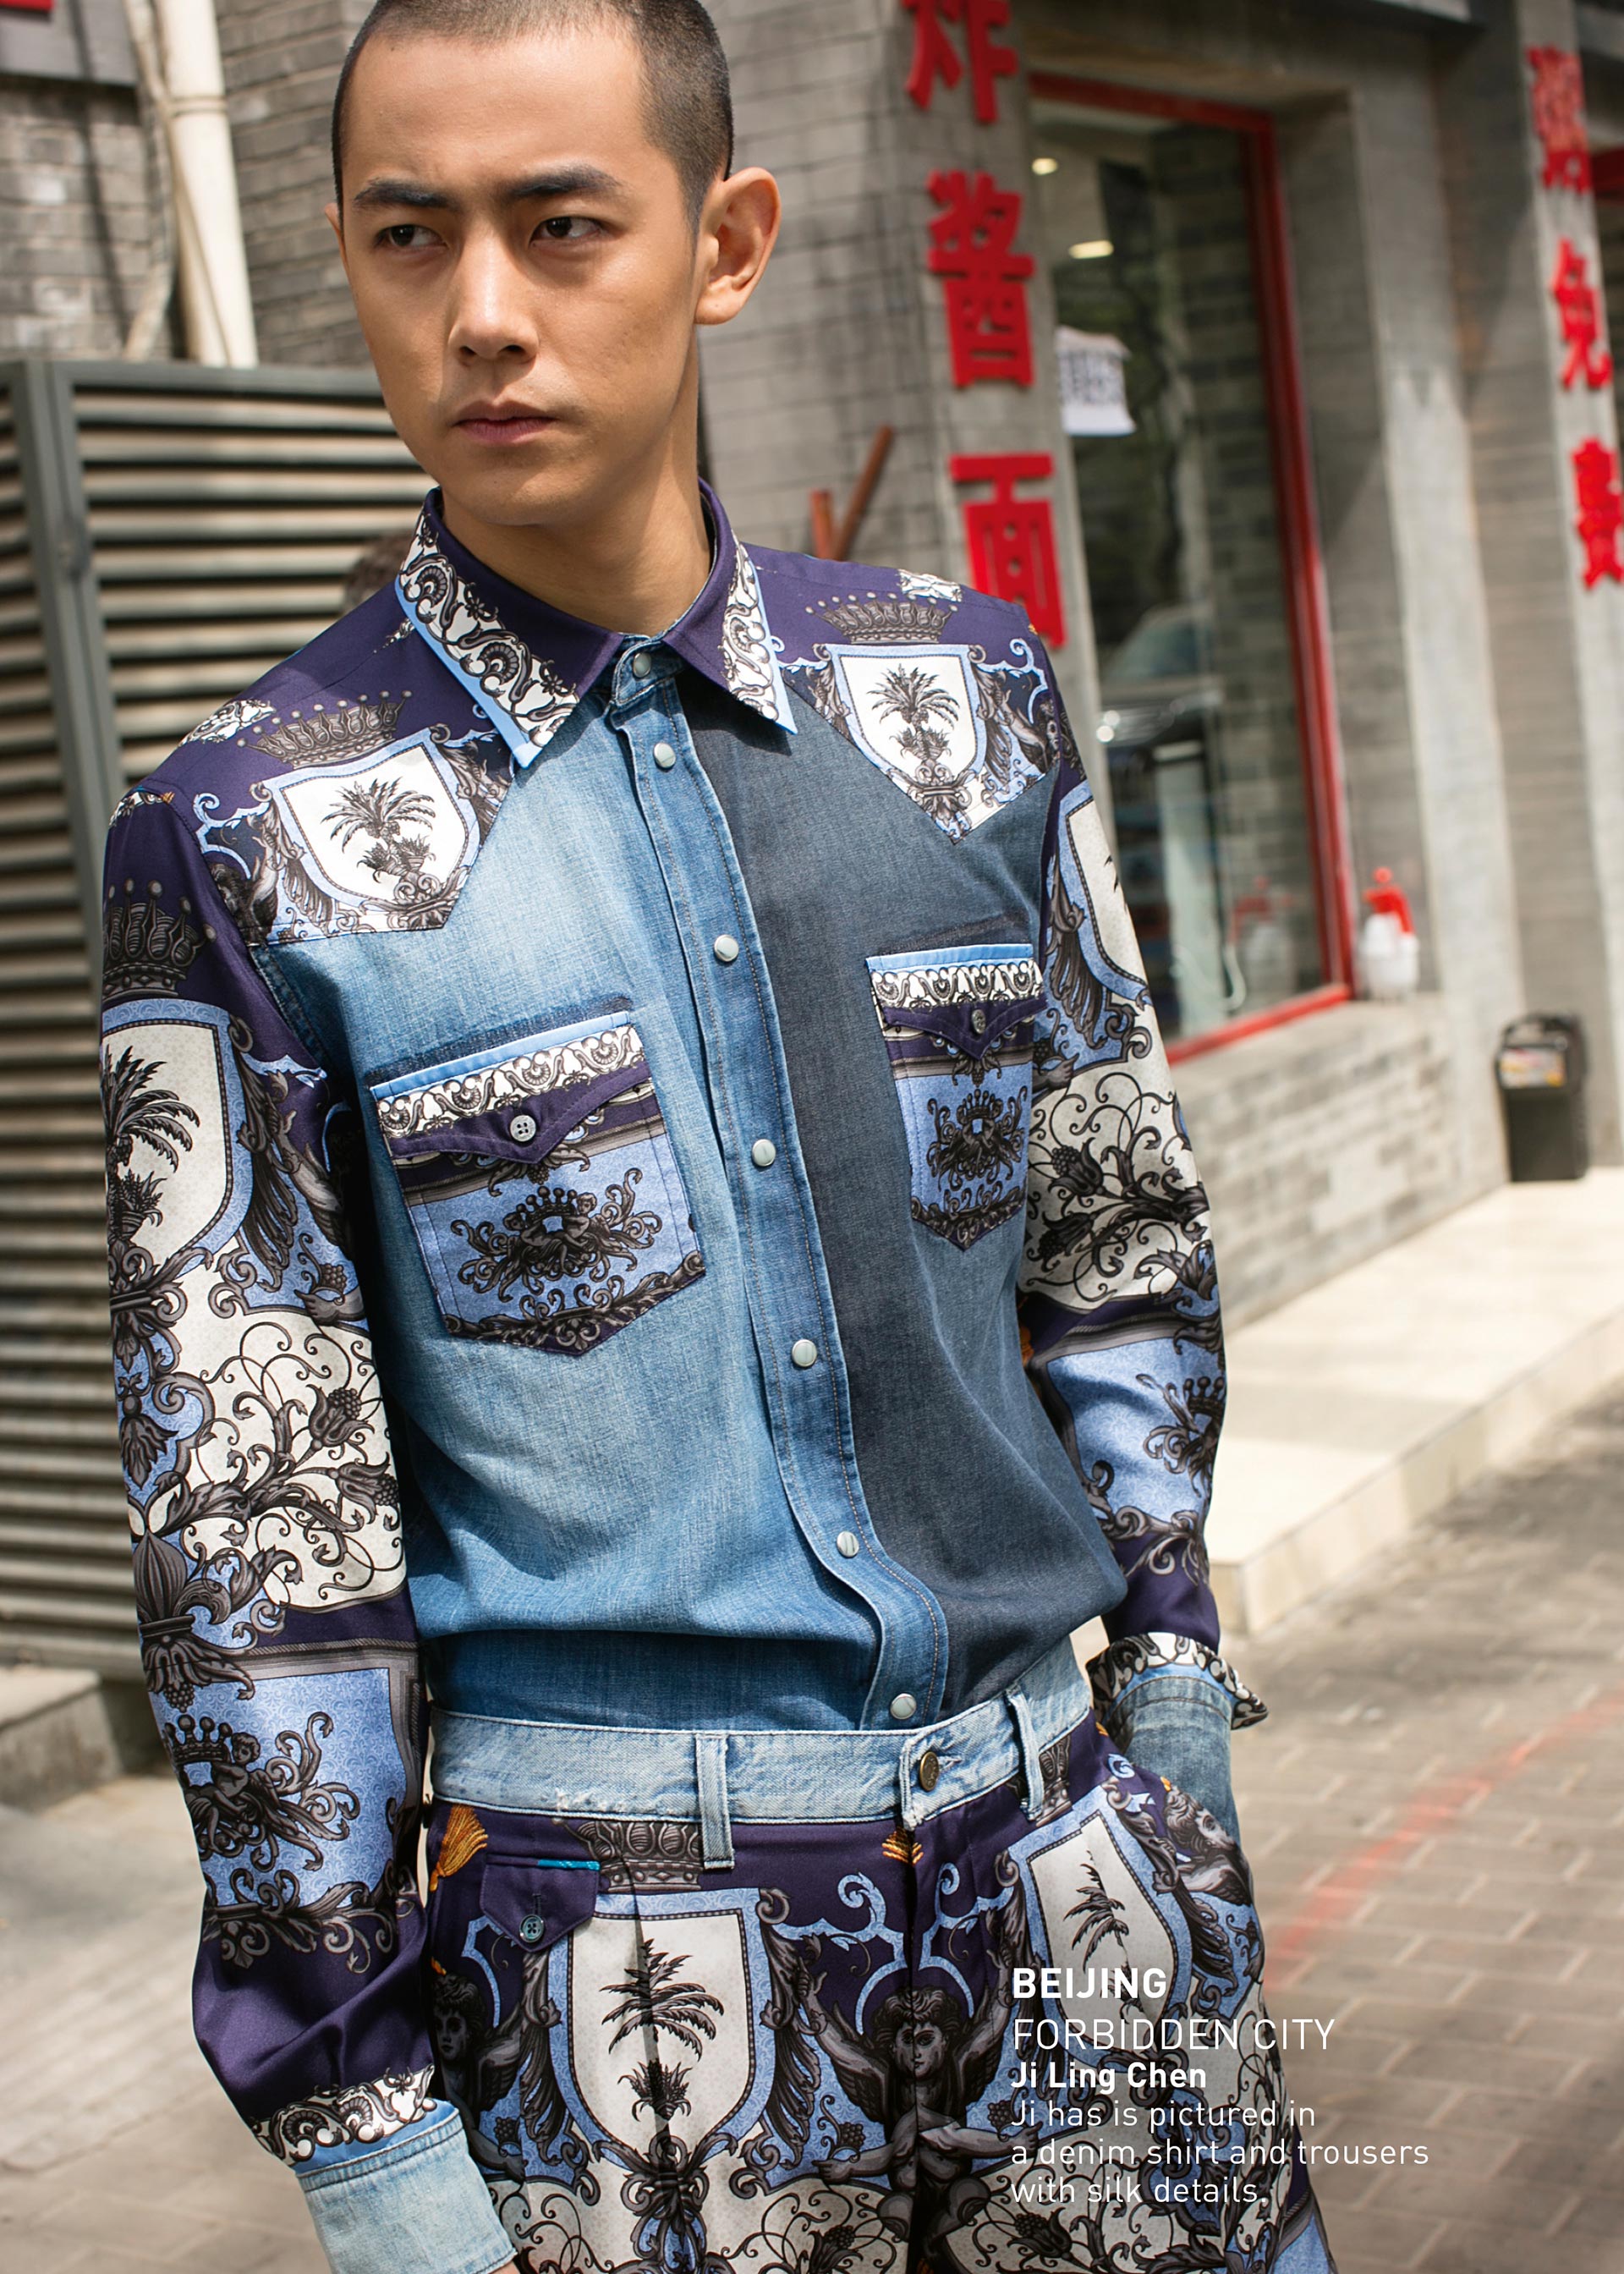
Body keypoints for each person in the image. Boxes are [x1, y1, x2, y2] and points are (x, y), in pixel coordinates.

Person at [96, 4, 1338, 2271]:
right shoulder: (250, 833)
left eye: (562, 226)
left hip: (1077, 1869)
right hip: (620, 1980)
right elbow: (258, 1519)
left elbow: (1114, 1233)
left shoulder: (964, 700)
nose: (483, 311)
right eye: (410, 237)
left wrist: (1167, 1692)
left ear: (728, 243)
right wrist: (360, 2122)